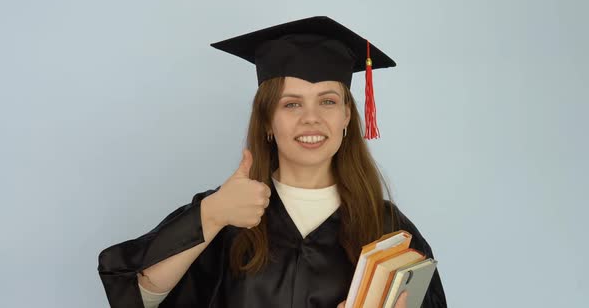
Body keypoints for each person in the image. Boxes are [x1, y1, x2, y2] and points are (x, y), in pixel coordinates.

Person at [97, 16, 447, 308]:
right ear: (267, 120)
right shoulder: (227, 214)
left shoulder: (387, 228)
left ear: (346, 116)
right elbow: (138, 297)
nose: (311, 118)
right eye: (291, 104)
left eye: (327, 101)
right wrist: (212, 214)